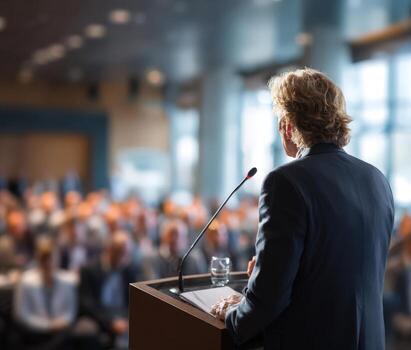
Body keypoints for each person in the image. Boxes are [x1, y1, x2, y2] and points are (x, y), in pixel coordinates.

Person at [211, 68, 395, 350]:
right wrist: (265, 275)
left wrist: (235, 314)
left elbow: (271, 299)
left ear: (287, 124)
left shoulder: (285, 182)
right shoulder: (377, 180)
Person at [78, 230, 140, 348]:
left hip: (123, 314)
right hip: (99, 315)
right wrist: (110, 322)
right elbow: (87, 304)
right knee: (86, 330)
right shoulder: (89, 270)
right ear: (109, 250)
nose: (125, 258)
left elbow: (134, 299)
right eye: (121, 253)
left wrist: (127, 319)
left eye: (127, 254)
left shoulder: (129, 269)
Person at [14, 236, 77, 349]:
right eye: (45, 259)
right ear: (39, 260)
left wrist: (60, 323)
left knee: (69, 333)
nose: (48, 263)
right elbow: (21, 314)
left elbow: (70, 312)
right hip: (35, 330)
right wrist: (47, 326)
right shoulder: (26, 281)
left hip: (60, 328)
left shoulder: (67, 280)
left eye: (51, 258)